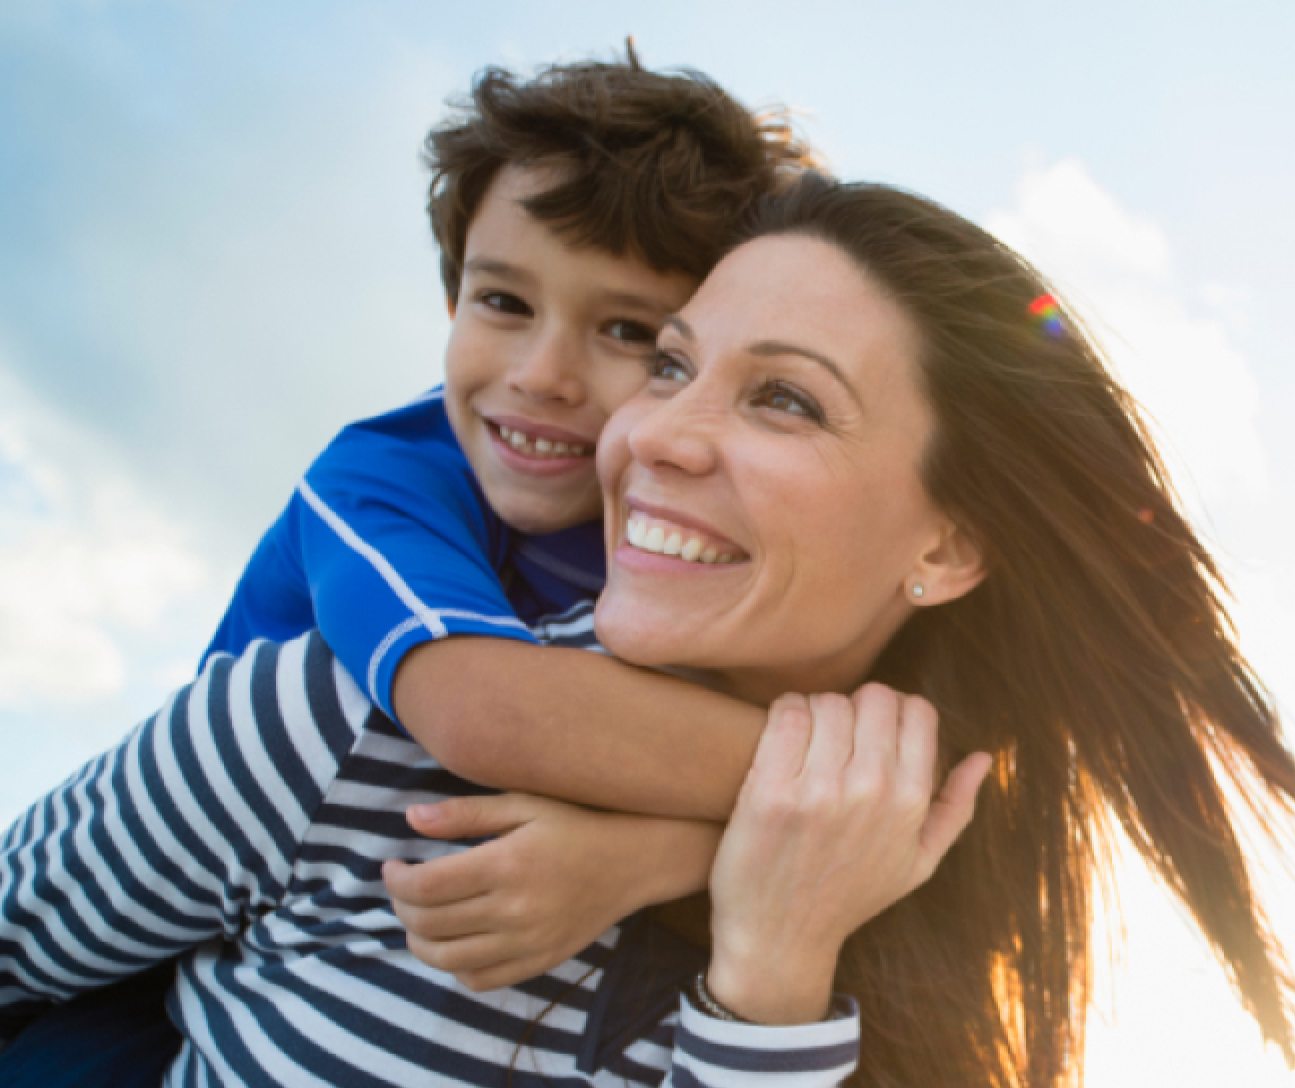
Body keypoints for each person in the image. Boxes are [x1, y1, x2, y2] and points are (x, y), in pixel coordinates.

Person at [0, 174, 1295, 1086]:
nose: (654, 435)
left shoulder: (944, 934)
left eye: (784, 401)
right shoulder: (337, 727)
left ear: (950, 546)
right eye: (673, 365)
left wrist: (771, 980)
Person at [0, 47, 814, 1085]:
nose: (541, 376)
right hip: (164, 960)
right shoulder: (382, 477)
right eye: (503, 303)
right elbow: (484, 713)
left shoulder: (675, 538)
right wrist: (829, 800)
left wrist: (658, 856)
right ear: (451, 297)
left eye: (625, 329)